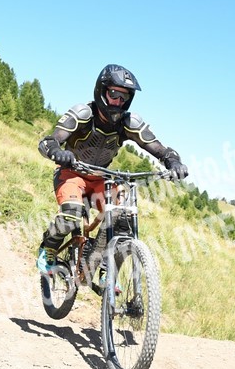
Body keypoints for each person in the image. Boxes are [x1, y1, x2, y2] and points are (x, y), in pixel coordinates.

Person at [36, 63, 189, 274]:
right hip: (72, 174)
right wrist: (57, 152)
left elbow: (158, 148)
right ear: (102, 90)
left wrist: (173, 161)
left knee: (124, 216)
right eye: (114, 94)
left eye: (124, 97)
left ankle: (106, 270)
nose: (118, 101)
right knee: (71, 215)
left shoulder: (129, 122)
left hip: (102, 179)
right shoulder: (83, 113)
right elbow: (49, 141)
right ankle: (48, 249)